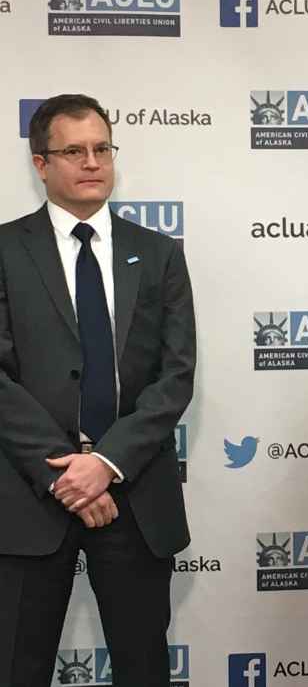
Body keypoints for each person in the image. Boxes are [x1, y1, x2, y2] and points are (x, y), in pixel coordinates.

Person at [0, 94, 196, 686]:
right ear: (40, 163)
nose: (92, 162)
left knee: (143, 670)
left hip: (133, 500)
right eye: (73, 151)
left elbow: (176, 373)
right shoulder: (6, 250)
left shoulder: (159, 253)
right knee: (17, 668)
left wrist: (106, 462)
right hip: (32, 502)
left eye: (102, 149)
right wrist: (66, 473)